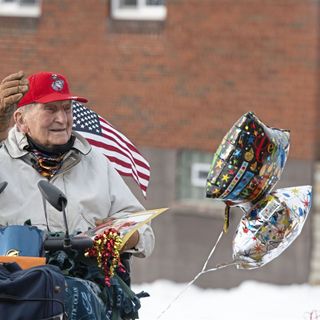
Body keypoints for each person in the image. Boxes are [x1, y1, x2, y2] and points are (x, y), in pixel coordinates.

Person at [0, 70, 155, 319]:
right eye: (50, 109)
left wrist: (128, 236)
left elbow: (143, 228)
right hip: (14, 291)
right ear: (21, 120)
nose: (62, 118)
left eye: (67, 109)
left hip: (84, 291)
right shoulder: (2, 160)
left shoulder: (95, 162)